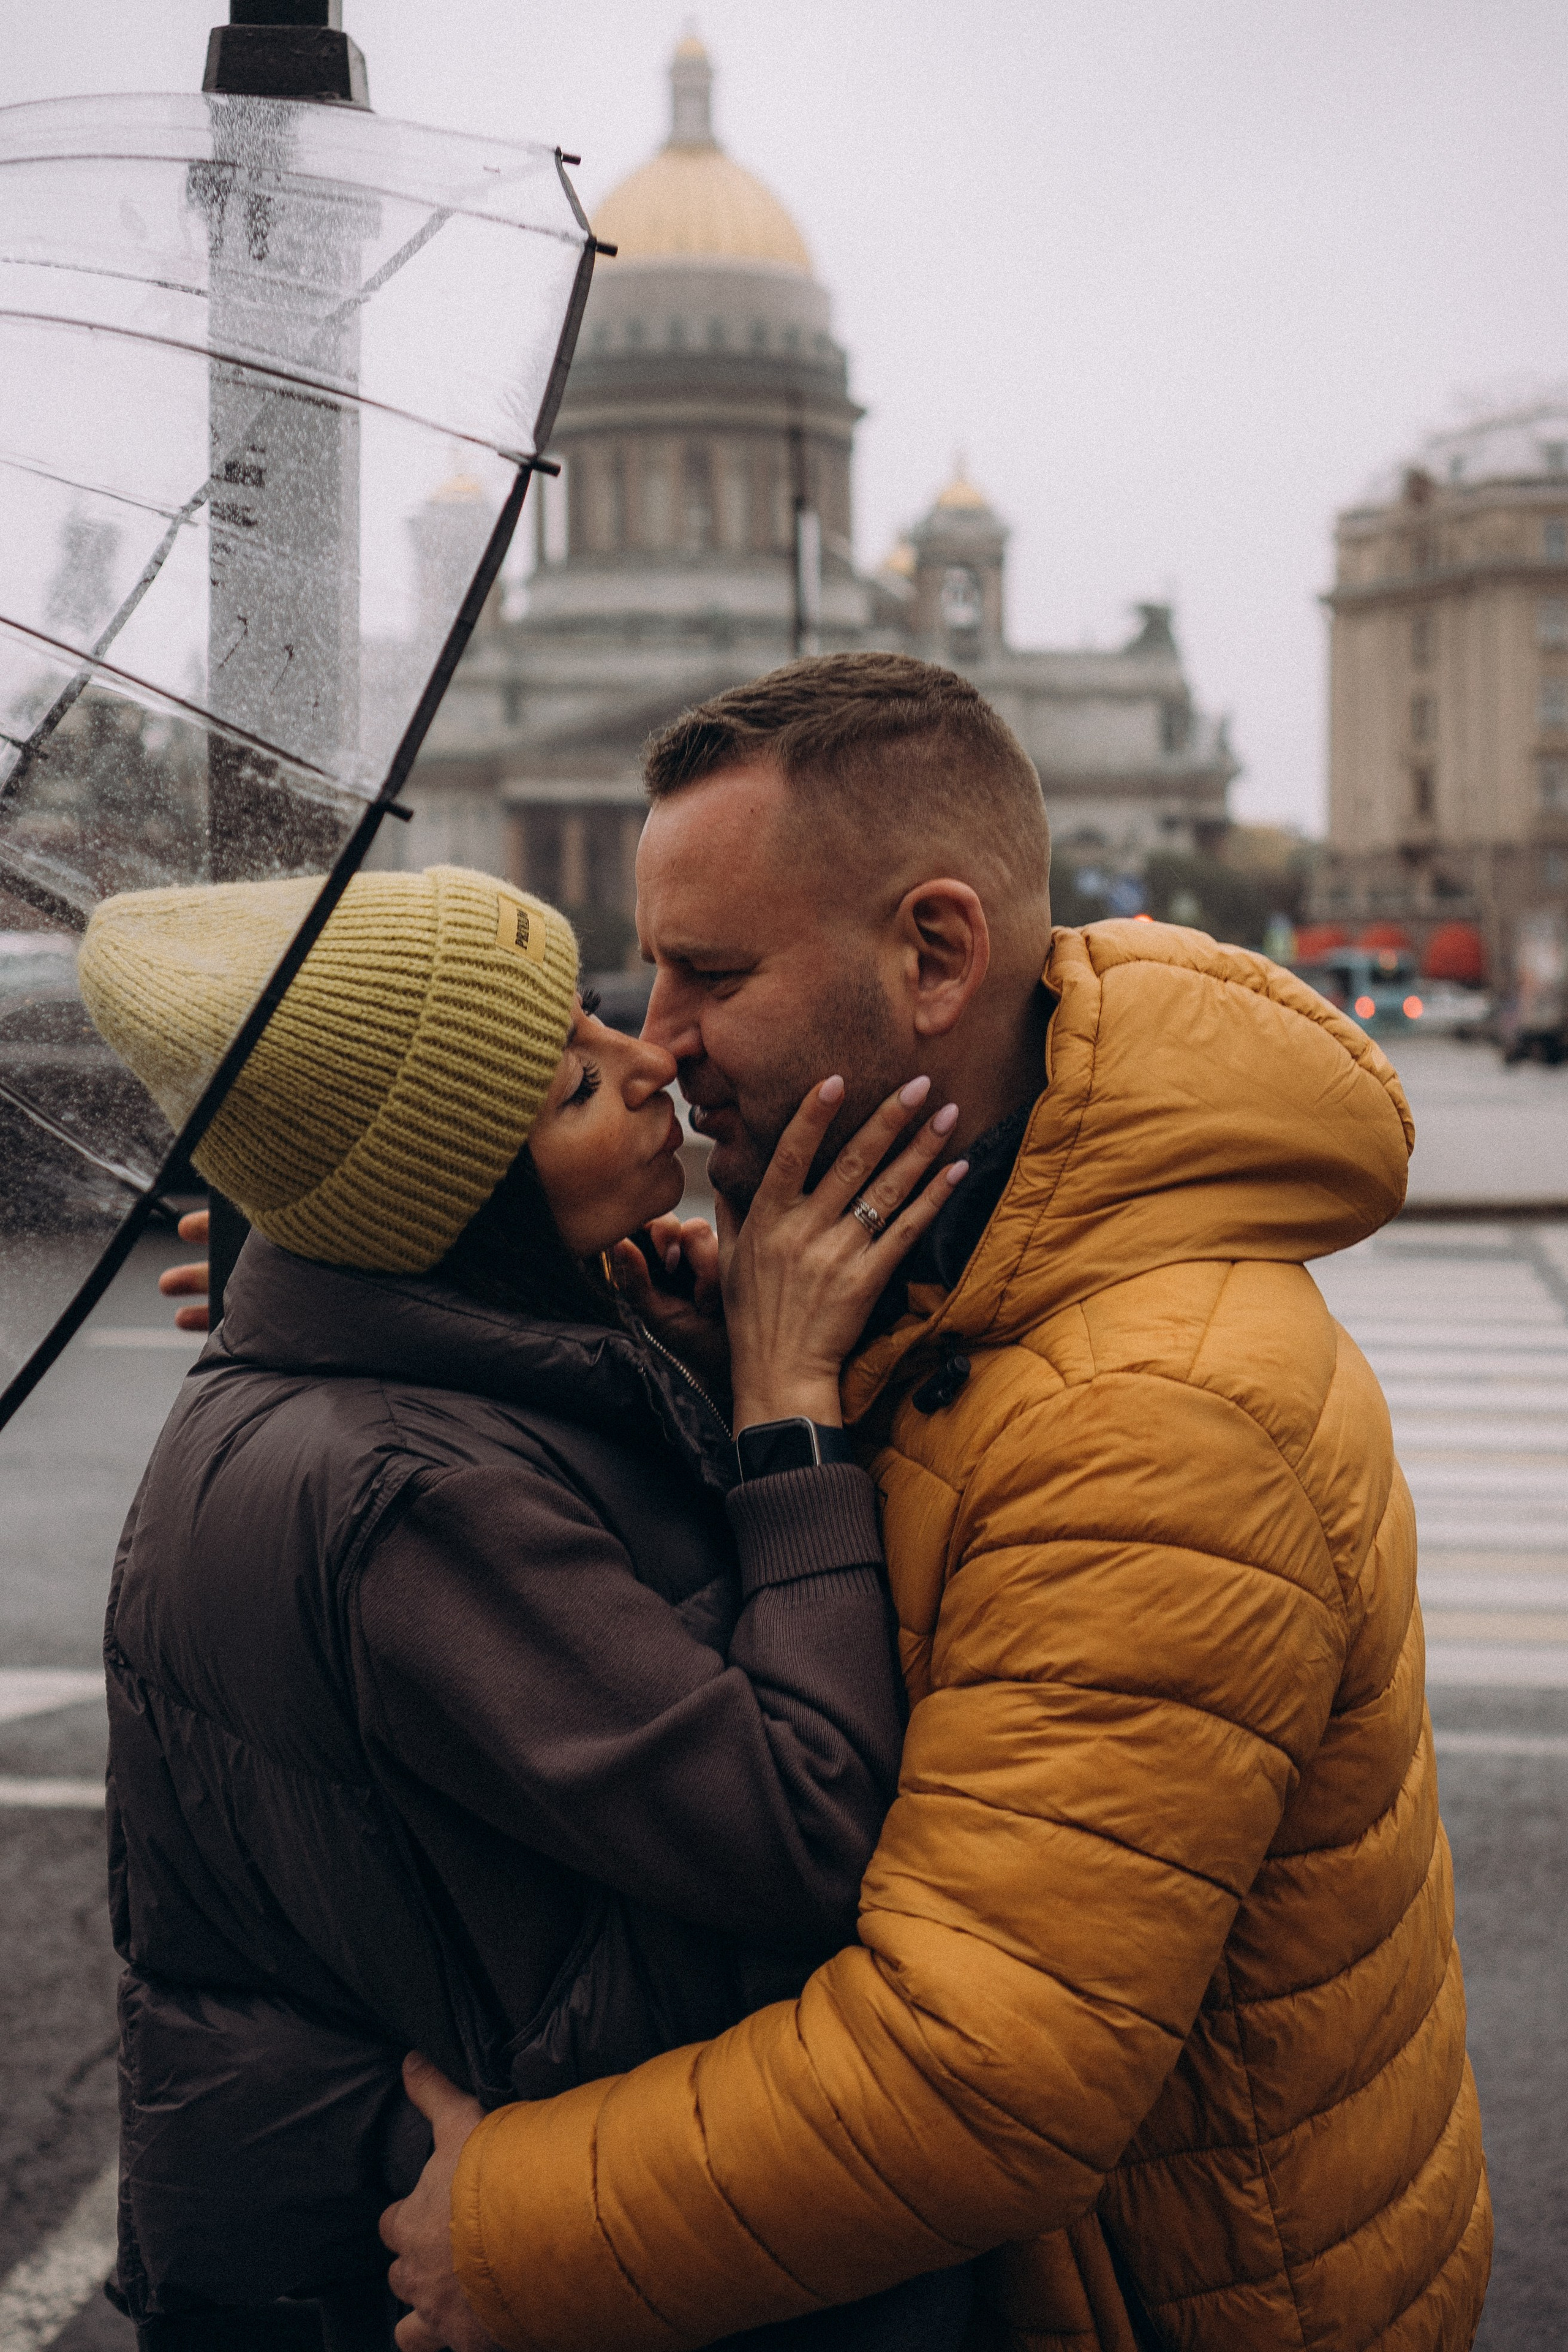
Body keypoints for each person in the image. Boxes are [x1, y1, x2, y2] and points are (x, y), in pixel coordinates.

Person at [383, 654, 1490, 2352]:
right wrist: (382, 1295)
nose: (656, 1043)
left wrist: (509, 2237)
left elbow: (982, 2077)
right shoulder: (919, 1260)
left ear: (935, 955)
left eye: (711, 974)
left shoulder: (1155, 1414)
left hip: (1159, 2299)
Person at [80, 861, 976, 2352]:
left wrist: (667, 1357)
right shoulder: (420, 1491)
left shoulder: (364, 1387)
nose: (650, 1062)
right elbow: (802, 1827)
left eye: (588, 1023)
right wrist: (785, 1412)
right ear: (460, 1210)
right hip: (421, 2265)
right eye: (572, 1088)